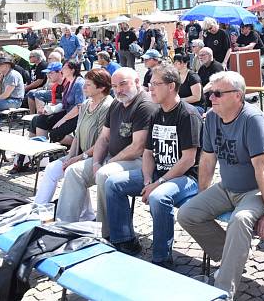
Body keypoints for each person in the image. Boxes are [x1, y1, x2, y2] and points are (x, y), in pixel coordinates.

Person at [177, 71, 264, 298]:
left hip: (263, 189)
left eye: (217, 94)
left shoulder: (252, 119)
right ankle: (231, 259)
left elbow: (262, 169)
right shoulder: (212, 118)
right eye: (210, 94)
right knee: (188, 213)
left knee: (240, 219)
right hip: (228, 187)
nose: (211, 98)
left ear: (238, 96)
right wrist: (201, 195)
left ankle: (223, 292)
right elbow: (207, 160)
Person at [104, 64, 201, 263]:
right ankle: (124, 240)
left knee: (158, 197)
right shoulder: (157, 113)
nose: (150, 89)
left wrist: (157, 184)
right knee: (113, 183)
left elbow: (188, 159)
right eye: (150, 84)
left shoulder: (188, 115)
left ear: (171, 86)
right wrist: (148, 180)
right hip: (157, 175)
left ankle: (162, 258)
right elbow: (148, 152)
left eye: (156, 84)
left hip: (185, 178)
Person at [56, 67, 156, 238]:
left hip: (140, 161)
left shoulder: (144, 105)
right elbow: (103, 138)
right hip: (114, 158)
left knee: (104, 173)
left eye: (123, 84)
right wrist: (96, 161)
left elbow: (138, 147)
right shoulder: (117, 103)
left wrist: (109, 162)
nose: (118, 90)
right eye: (115, 86)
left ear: (137, 82)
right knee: (74, 171)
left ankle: (105, 232)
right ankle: (64, 226)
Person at [34, 68, 114, 209]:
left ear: (101, 87)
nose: (84, 87)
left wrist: (76, 159)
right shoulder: (86, 104)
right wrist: (69, 157)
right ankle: (39, 207)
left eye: (88, 84)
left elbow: (103, 141)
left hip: (98, 156)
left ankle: (81, 214)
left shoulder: (108, 106)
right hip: (80, 153)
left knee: (73, 172)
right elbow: (77, 135)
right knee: (52, 168)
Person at [26, 61, 84, 145]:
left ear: (72, 70)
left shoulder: (78, 83)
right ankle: (34, 147)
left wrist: (62, 120)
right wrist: (50, 109)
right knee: (39, 119)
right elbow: (63, 104)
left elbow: (79, 106)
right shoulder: (69, 83)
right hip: (67, 112)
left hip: (76, 115)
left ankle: (80, 146)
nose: (62, 70)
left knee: (55, 134)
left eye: (64, 68)